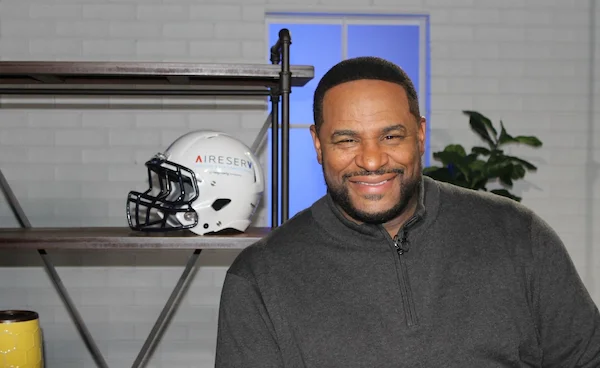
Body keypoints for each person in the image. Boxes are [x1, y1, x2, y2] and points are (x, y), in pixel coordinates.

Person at [215, 56, 600, 367]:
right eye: (347, 139)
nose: (370, 160)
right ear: (318, 144)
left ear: (420, 134)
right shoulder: (260, 278)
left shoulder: (519, 236)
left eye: (391, 136)